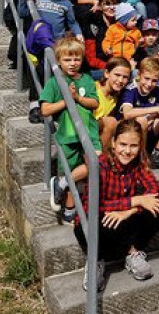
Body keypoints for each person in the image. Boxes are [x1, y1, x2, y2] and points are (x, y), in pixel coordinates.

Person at [74, 119, 159, 292]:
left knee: (158, 209)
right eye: (123, 144)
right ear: (114, 143)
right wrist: (136, 201)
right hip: (97, 220)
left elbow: (155, 191)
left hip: (120, 218)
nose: (127, 151)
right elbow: (93, 206)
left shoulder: (138, 163)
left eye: (133, 146)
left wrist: (128, 212)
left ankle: (133, 252)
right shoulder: (100, 165)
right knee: (96, 222)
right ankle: (96, 260)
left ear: (140, 146)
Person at [42, 37, 101, 224]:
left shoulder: (87, 80)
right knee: (76, 176)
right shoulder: (54, 82)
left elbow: (95, 103)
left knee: (96, 163)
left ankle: (60, 183)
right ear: (59, 60)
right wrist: (67, 99)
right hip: (68, 136)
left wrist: (77, 98)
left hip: (89, 133)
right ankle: (69, 211)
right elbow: (45, 109)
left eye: (77, 59)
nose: (73, 63)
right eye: (68, 59)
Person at [119, 57, 159, 170]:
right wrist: (156, 110)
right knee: (141, 120)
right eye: (146, 78)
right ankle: (140, 158)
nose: (149, 84)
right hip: (132, 131)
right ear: (138, 75)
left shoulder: (156, 90)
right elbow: (127, 114)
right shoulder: (130, 90)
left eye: (154, 80)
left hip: (150, 127)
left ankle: (156, 156)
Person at [93, 57, 132, 152]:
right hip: (87, 129)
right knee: (111, 122)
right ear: (107, 73)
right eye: (117, 75)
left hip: (101, 133)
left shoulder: (118, 95)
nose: (121, 80)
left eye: (125, 77)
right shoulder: (93, 88)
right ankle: (101, 161)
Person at [85, 0, 119, 74]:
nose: (112, 7)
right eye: (107, 4)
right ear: (100, 6)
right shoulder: (93, 25)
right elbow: (91, 59)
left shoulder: (122, 24)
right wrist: (110, 67)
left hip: (116, 66)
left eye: (115, 4)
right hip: (97, 69)